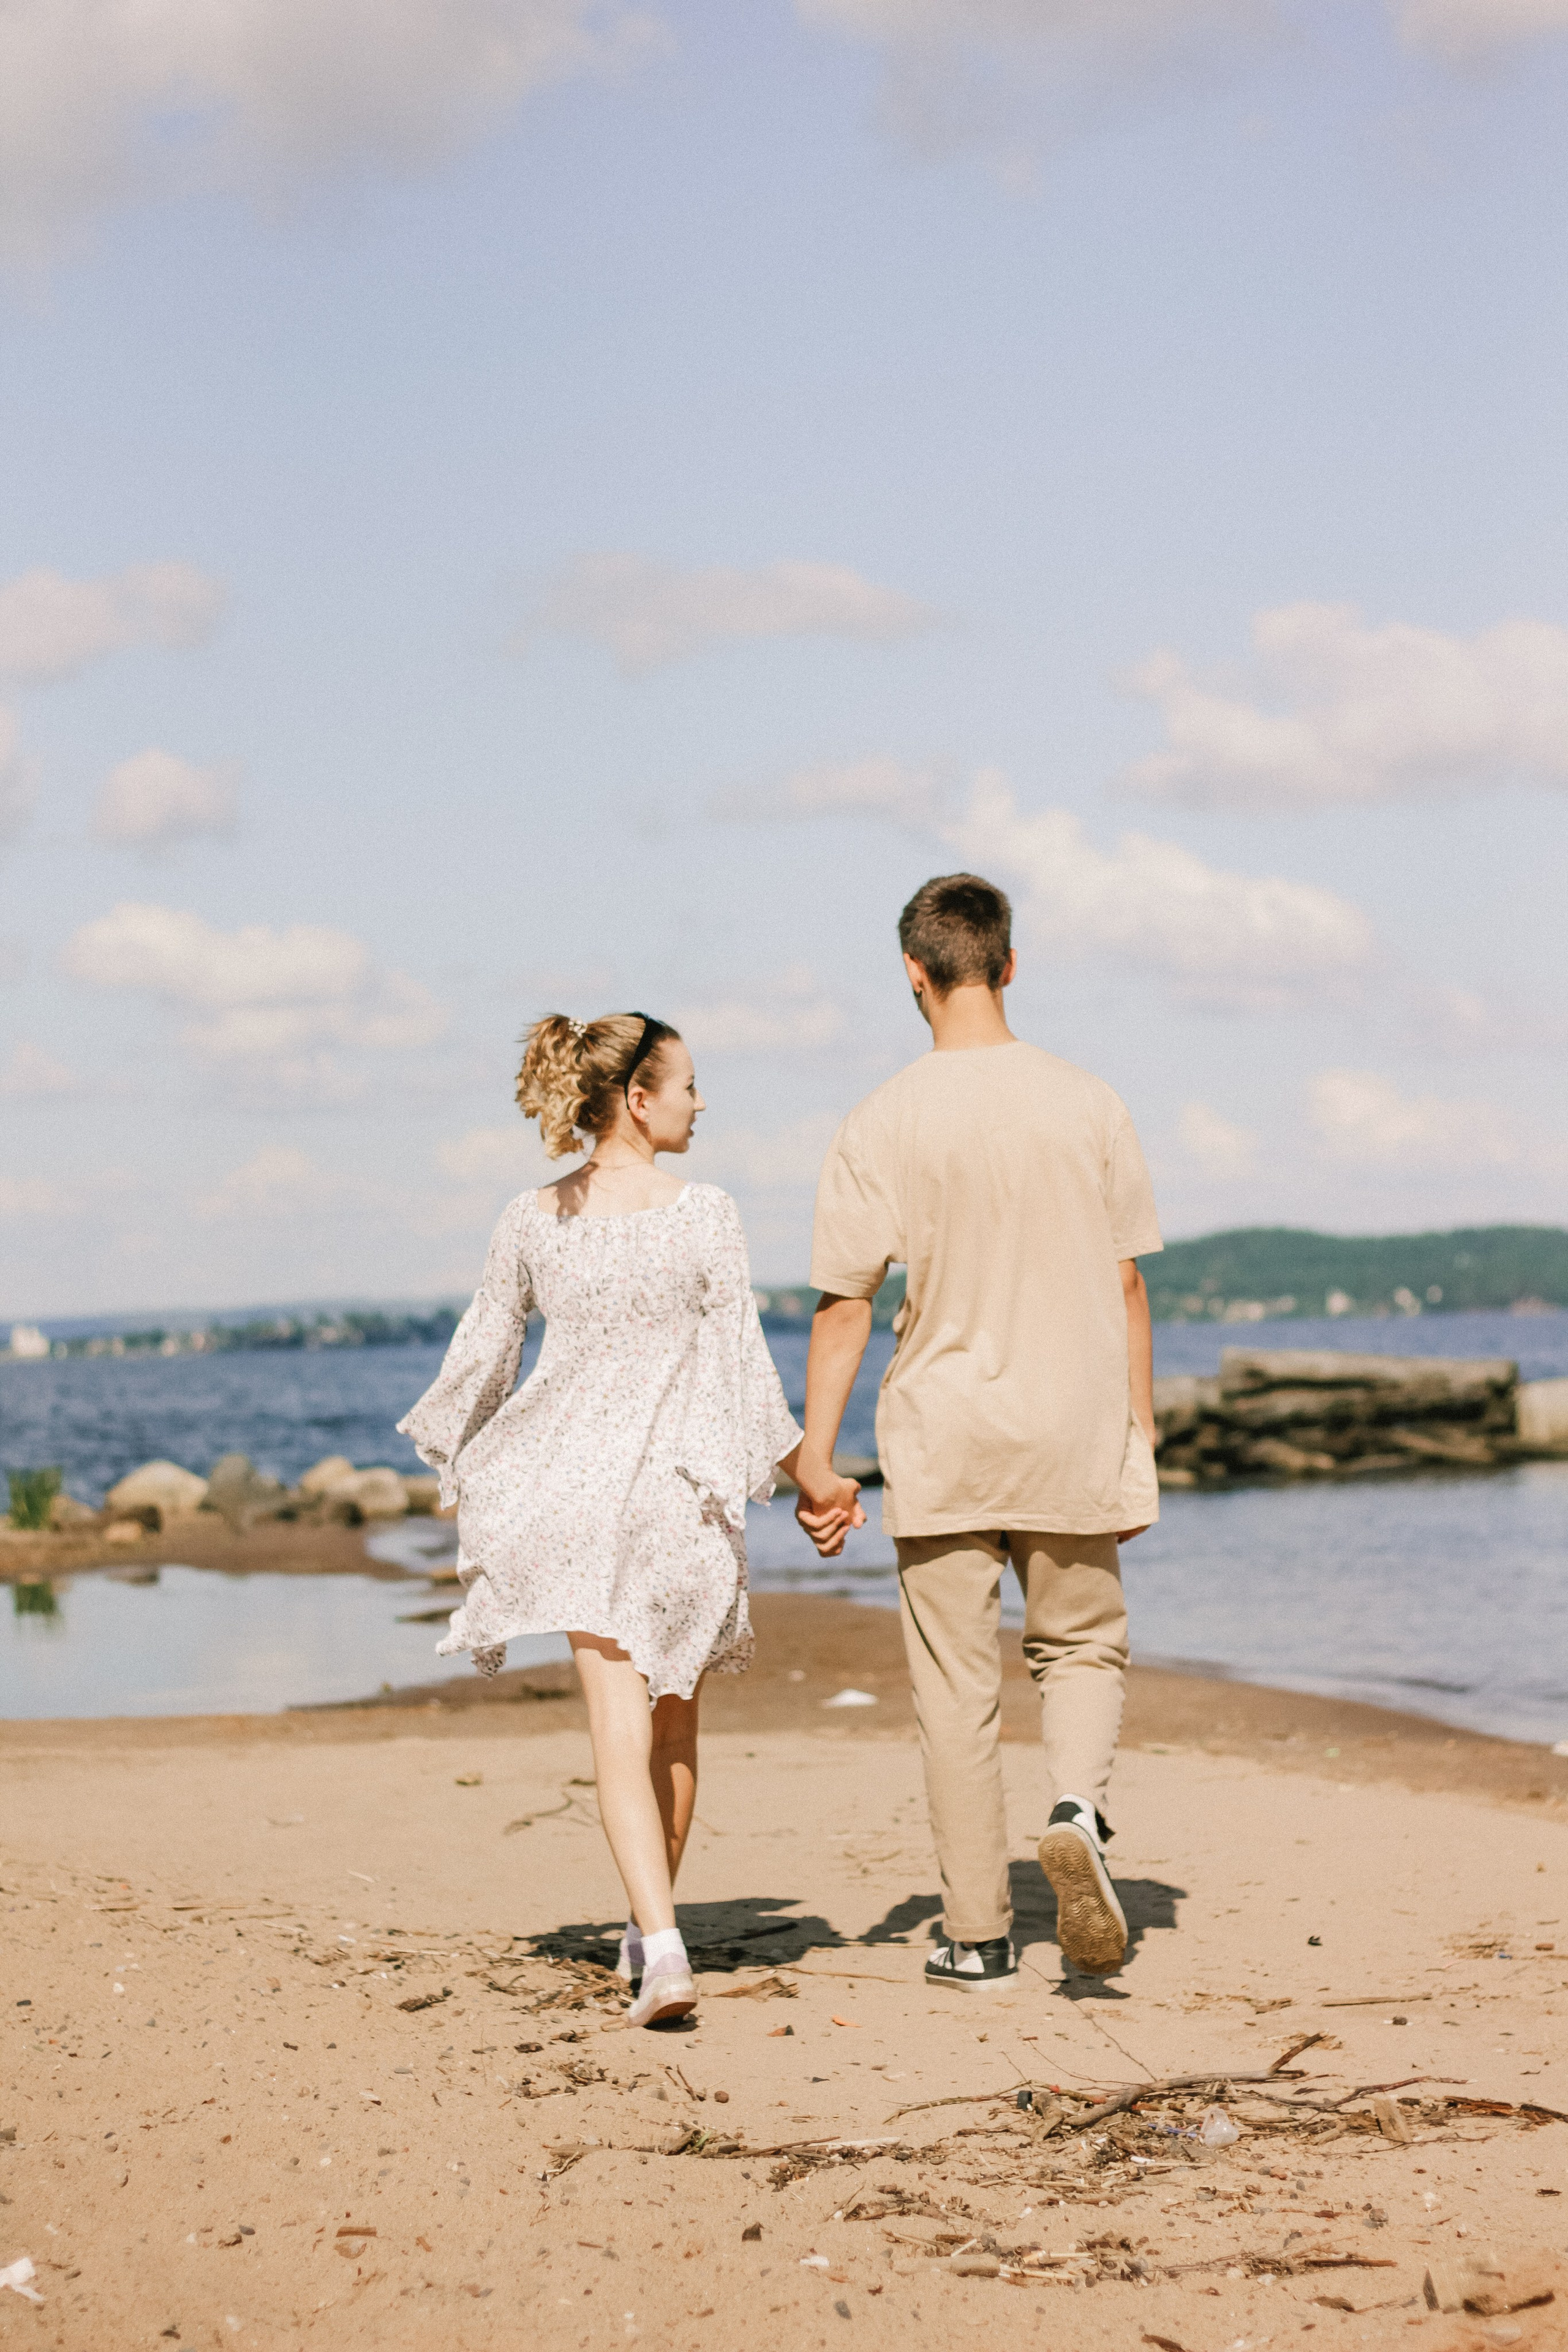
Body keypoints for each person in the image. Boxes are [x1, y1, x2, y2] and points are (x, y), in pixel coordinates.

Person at [398, 1012, 817, 2028]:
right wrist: (814, 1477)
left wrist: (455, 1461)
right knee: (674, 1726)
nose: (700, 1101)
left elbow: (484, 1356)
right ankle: (655, 1937)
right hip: (677, 1502)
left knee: (618, 1730)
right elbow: (747, 1375)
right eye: (686, 1085)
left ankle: (658, 1944)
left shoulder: (533, 1218)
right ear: (637, 1097)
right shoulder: (706, 1213)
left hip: (575, 1501)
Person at [793, 875, 1162, 1985]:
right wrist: (1137, 1430)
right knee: (1082, 1644)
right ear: (1009, 964)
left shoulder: (880, 1119)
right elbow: (1128, 1287)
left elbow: (846, 1303)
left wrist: (817, 1458)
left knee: (956, 1692)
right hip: (1069, 1426)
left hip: (943, 1436)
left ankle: (976, 1939)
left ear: (914, 973)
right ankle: (1075, 1808)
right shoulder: (1089, 1102)